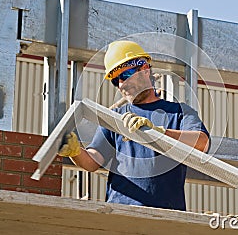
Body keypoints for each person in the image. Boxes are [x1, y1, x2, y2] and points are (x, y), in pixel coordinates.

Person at [59, 40, 210, 211]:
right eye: (115, 81)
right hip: (120, 212)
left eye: (126, 74)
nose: (122, 84)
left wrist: (158, 133)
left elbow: (201, 143)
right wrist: (75, 151)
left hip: (166, 215)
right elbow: (94, 161)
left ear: (144, 69)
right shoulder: (115, 118)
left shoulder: (178, 112)